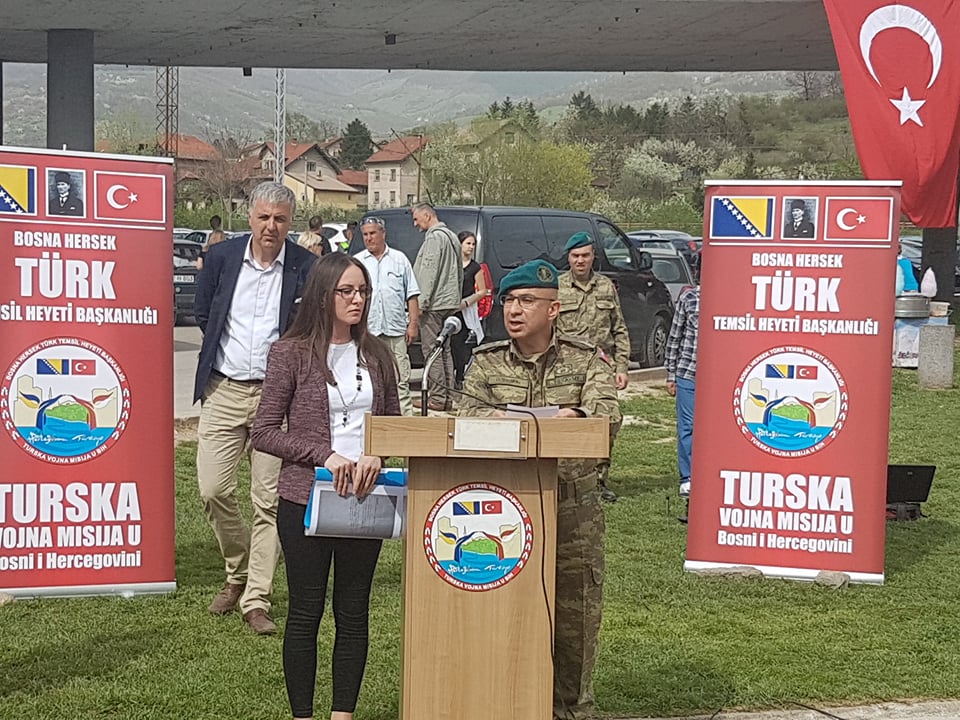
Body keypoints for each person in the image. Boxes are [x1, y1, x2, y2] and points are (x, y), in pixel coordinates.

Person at [458, 259, 620, 720]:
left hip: (571, 513)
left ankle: (570, 710)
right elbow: (465, 416)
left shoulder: (585, 360)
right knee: (502, 617)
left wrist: (577, 418)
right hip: (502, 514)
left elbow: (606, 417)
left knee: (574, 622)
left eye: (527, 300)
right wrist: (499, 421)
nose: (513, 310)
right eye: (509, 300)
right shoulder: (486, 362)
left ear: (553, 309)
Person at [251, 252, 400, 720]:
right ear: (322, 296)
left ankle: (343, 714)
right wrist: (324, 455)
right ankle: (303, 714)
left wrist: (378, 452)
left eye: (363, 291)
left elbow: (394, 423)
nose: (357, 300)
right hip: (306, 498)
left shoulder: (378, 354)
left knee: (353, 611)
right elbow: (264, 431)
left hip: (365, 498)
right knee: (306, 610)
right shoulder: (290, 353)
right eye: (347, 291)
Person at [193, 181, 317, 635]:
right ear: (249, 217)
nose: (271, 226)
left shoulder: (306, 267)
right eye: (264, 217)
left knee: (268, 501)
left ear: (290, 222)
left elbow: (311, 329)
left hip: (277, 398)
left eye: (280, 219)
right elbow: (204, 314)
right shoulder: (222, 258)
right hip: (224, 389)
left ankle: (255, 599)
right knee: (212, 489)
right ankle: (239, 569)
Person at [556, 231, 630, 503]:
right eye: (575, 256)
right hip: (566, 365)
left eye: (585, 255)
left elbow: (619, 328)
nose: (580, 261)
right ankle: (566, 479)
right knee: (567, 420)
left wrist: (622, 366)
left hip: (600, 365)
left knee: (606, 419)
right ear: (568, 258)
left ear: (593, 257)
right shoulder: (557, 286)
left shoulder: (606, 286)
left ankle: (599, 479)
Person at [354, 215, 421, 415]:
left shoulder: (399, 260)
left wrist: (413, 324)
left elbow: (412, 294)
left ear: (383, 233)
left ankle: (404, 422)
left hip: (395, 332)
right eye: (365, 234)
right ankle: (372, 421)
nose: (369, 238)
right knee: (368, 380)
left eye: (372, 233)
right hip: (368, 332)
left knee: (400, 380)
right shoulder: (357, 262)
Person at [411, 202, 463, 411]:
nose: (415, 224)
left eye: (416, 219)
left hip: (433, 304)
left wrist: (421, 303)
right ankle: (449, 397)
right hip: (448, 301)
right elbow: (459, 271)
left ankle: (438, 398)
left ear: (427, 215)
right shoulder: (452, 236)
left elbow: (429, 271)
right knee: (444, 350)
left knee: (432, 351)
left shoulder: (434, 238)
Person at [665, 281, 700, 517]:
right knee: (687, 427)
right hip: (688, 373)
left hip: (718, 377)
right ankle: (687, 478)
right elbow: (675, 336)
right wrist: (671, 374)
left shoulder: (729, 299)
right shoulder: (689, 298)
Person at [450, 230, 490, 389]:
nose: (471, 247)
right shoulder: (451, 264)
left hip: (465, 310)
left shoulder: (475, 267)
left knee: (459, 344)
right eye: (468, 243)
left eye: (473, 244)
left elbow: (482, 291)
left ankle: (459, 376)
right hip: (449, 308)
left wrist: (466, 303)